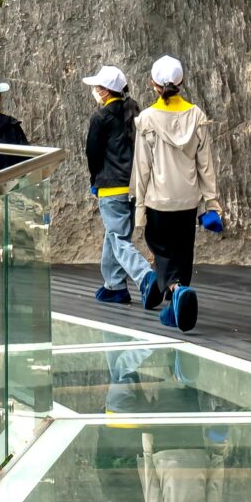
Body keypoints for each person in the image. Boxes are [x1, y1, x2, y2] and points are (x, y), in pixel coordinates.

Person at [128, 55, 222, 330]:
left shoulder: (147, 118)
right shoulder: (197, 116)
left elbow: (142, 167)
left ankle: (177, 290)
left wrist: (139, 207)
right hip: (188, 198)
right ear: (181, 82)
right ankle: (175, 306)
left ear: (152, 84)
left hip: (159, 199)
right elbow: (206, 165)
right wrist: (211, 201)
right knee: (183, 250)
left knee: (161, 249)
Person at [81, 64, 153, 306]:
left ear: (105, 91)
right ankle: (114, 286)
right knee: (115, 235)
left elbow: (93, 154)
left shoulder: (100, 118)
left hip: (111, 187)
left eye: (97, 87)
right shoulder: (134, 113)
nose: (94, 90)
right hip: (133, 187)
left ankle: (145, 277)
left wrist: (94, 181)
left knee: (118, 238)